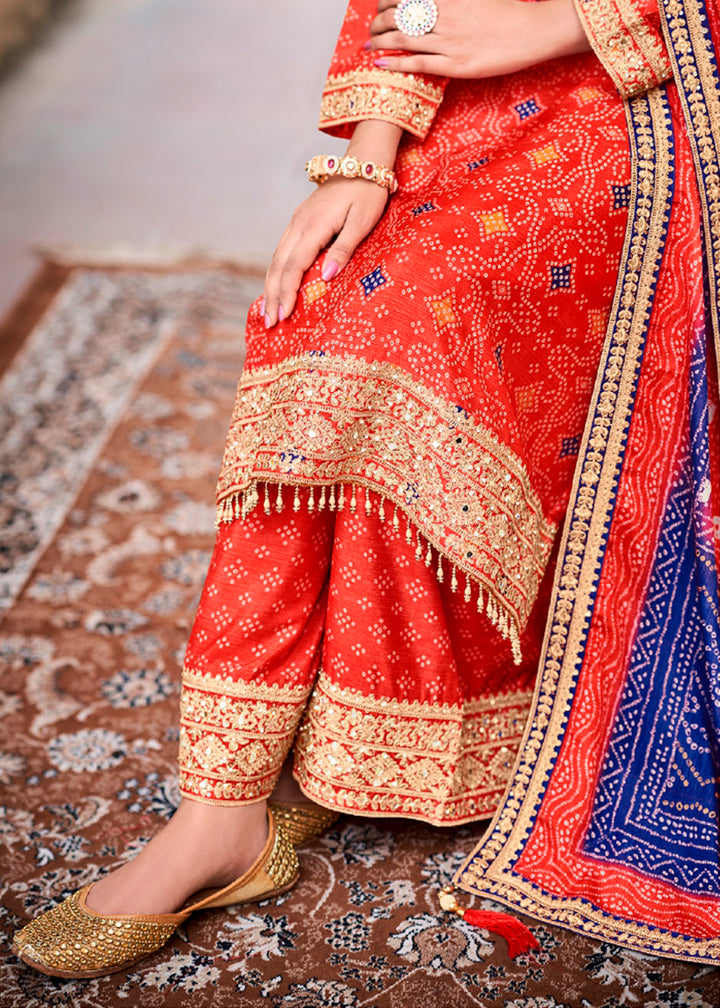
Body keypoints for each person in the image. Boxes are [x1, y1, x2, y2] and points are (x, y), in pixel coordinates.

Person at [13, 0, 719, 977]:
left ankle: (451, 710)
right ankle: (224, 803)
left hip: (664, 99)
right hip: (468, 88)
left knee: (439, 314)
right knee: (327, 304)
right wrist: (366, 155)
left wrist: (571, 23)